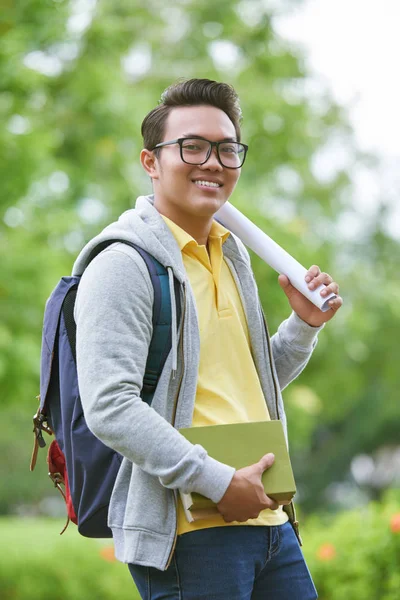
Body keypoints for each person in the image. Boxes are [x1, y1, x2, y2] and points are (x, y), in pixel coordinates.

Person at [73, 78, 342, 599]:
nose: (213, 162)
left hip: (269, 522)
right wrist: (218, 482)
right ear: (151, 162)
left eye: (226, 149)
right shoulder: (124, 264)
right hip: (189, 533)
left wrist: (304, 326)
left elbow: (252, 382)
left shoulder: (233, 253)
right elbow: (109, 405)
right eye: (191, 147)